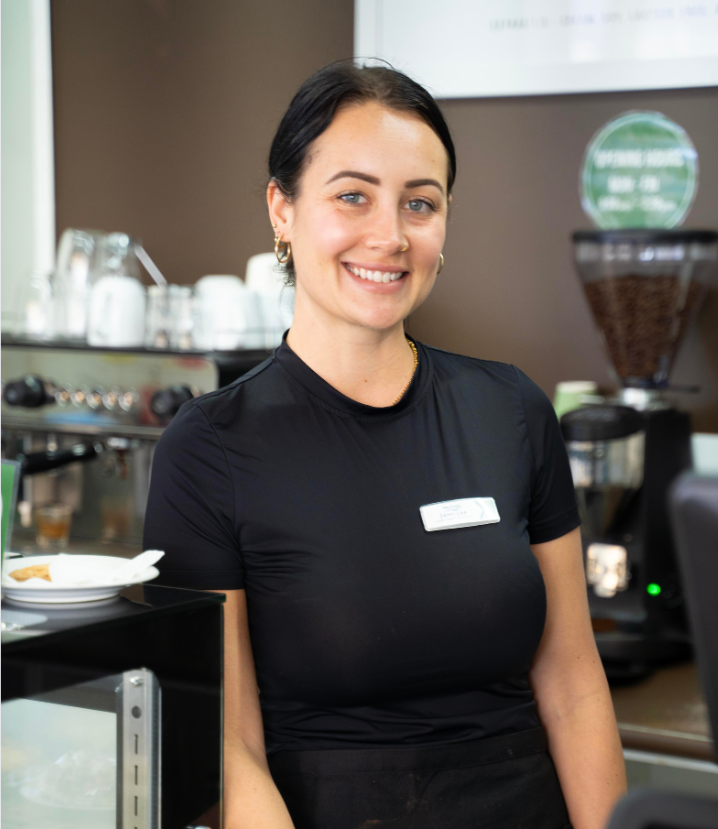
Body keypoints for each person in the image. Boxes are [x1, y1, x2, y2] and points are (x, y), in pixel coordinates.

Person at [144, 62, 626, 829]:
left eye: (420, 203)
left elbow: (572, 686)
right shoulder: (208, 449)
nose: (391, 236)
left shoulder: (510, 409)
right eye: (352, 196)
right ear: (282, 209)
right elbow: (229, 745)